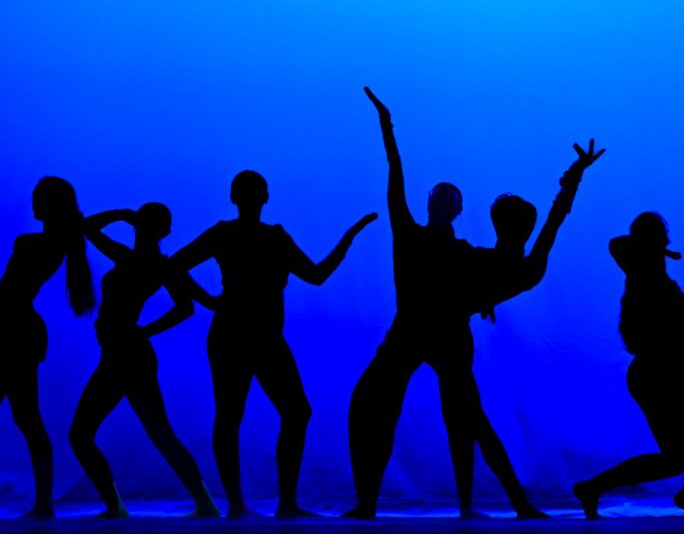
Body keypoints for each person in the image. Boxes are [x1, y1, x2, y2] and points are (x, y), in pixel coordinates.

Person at [168, 170, 376, 519]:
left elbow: (174, 266)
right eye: (250, 193)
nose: (251, 199)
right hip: (244, 333)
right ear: (262, 198)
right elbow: (317, 276)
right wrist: (349, 238)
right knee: (257, 415)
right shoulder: (256, 236)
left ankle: (261, 503)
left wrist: (208, 300)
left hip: (247, 333)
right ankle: (266, 503)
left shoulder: (249, 235)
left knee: (257, 415)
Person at [346, 88, 484, 519]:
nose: (441, 200)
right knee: (375, 411)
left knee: (460, 421)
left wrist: (485, 301)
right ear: (432, 205)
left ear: (457, 210)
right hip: (410, 333)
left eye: (448, 197)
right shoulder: (409, 234)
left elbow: (482, 286)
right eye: (437, 196)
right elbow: (395, 172)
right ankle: (367, 502)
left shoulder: (458, 251)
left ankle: (464, 505)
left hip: (438, 336)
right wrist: (387, 126)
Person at [452, 139, 605, 518]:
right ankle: (508, 505)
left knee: (468, 421)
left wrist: (573, 178)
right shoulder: (518, 264)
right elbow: (555, 219)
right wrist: (573, 178)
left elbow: (554, 218)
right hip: (446, 329)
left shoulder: (489, 260)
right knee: (469, 421)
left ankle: (496, 505)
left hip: (447, 330)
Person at [573, 213, 684, 519]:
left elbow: (683, 329)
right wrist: (651, 247)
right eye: (659, 238)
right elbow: (617, 244)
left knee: (677, 458)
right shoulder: (644, 277)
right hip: (656, 375)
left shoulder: (660, 281)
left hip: (670, 372)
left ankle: (594, 487)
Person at [0, 177, 96, 520]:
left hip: (9, 332)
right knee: (23, 419)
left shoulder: (33, 243)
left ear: (50, 204)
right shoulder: (60, 244)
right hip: (14, 331)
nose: (33, 202)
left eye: (38, 197)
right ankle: (35, 503)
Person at [69, 204, 219, 518]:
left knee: (83, 434)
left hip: (125, 355)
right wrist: (143, 332)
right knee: (159, 433)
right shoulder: (149, 262)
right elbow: (189, 307)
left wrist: (123, 214)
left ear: (145, 226)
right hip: (125, 353)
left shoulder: (138, 260)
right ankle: (202, 502)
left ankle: (119, 506)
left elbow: (87, 226)